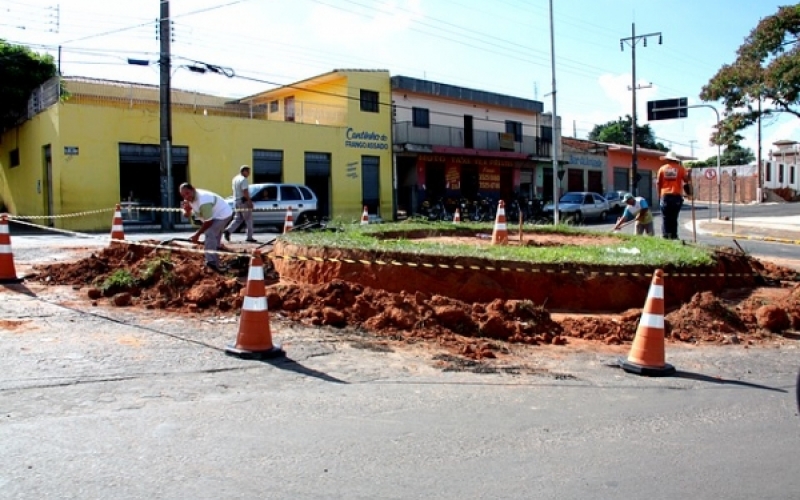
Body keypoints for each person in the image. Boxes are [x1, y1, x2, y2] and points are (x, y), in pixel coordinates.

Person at [179, 182, 233, 271]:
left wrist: (197, 234)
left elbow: (209, 222)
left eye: (187, 193)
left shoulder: (203, 200)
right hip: (213, 216)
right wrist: (187, 211)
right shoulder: (188, 199)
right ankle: (217, 265)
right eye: (183, 195)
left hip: (223, 214)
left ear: (193, 189)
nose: (186, 197)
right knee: (213, 239)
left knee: (210, 232)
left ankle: (211, 263)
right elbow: (186, 214)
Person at [656, 150, 691, 240]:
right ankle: (674, 235)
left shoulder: (662, 169)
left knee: (665, 217)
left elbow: (658, 183)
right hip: (676, 196)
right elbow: (687, 180)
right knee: (674, 217)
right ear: (675, 160)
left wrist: (659, 195)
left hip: (665, 196)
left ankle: (665, 235)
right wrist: (689, 173)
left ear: (667, 159)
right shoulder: (680, 168)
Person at [224, 165, 256, 243]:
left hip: (236, 201)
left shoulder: (235, 179)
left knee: (238, 218)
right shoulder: (243, 179)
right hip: (243, 201)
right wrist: (249, 202)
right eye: (248, 171)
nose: (249, 173)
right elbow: (245, 192)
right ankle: (249, 237)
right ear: (243, 171)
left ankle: (228, 230)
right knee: (248, 219)